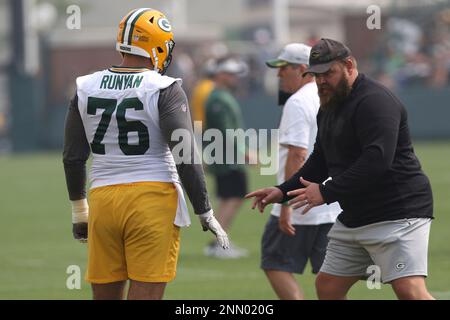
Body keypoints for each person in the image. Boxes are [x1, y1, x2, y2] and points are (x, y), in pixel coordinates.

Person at [246, 38, 434, 300]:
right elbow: (320, 160)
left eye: (328, 73)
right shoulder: (329, 106)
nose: (321, 81)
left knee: (409, 290)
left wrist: (326, 191)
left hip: (398, 212)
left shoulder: (375, 101)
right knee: (328, 286)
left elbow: (376, 161)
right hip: (357, 215)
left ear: (348, 65)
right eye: (316, 75)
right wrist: (283, 191)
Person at [62, 8, 229, 300]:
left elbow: (73, 156)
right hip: (152, 199)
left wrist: (80, 211)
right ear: (158, 46)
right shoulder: (163, 87)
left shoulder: (85, 86)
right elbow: (185, 153)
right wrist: (204, 210)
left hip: (102, 200)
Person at [262, 43, 340, 300]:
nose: (278, 75)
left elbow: (297, 155)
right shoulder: (330, 96)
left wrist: (285, 203)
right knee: (329, 279)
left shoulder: (297, 102)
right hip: (330, 201)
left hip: (300, 203)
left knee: (274, 262)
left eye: (284, 68)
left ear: (303, 69)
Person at [203, 56, 250, 259]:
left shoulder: (221, 96)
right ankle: (218, 244)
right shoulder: (218, 98)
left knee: (230, 198)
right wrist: (244, 151)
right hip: (226, 158)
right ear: (220, 75)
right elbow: (225, 130)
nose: (235, 78)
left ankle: (218, 242)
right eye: (230, 74)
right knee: (234, 197)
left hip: (226, 156)